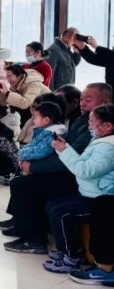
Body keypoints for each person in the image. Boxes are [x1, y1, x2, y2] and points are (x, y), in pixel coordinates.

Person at [1, 83, 111, 253]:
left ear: (105, 102)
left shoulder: (98, 129)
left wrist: (34, 166)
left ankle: (33, 240)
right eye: (82, 98)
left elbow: (72, 156)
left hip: (76, 177)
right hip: (71, 171)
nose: (82, 103)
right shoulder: (82, 120)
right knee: (22, 179)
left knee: (24, 183)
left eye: (88, 100)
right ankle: (21, 224)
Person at [42, 103, 114, 274]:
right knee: (53, 205)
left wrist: (64, 151)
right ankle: (71, 250)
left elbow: (85, 170)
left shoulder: (109, 148)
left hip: (101, 199)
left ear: (107, 126)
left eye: (92, 123)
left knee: (61, 213)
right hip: (89, 192)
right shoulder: (101, 141)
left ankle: (71, 257)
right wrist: (65, 148)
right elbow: (82, 162)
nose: (89, 127)